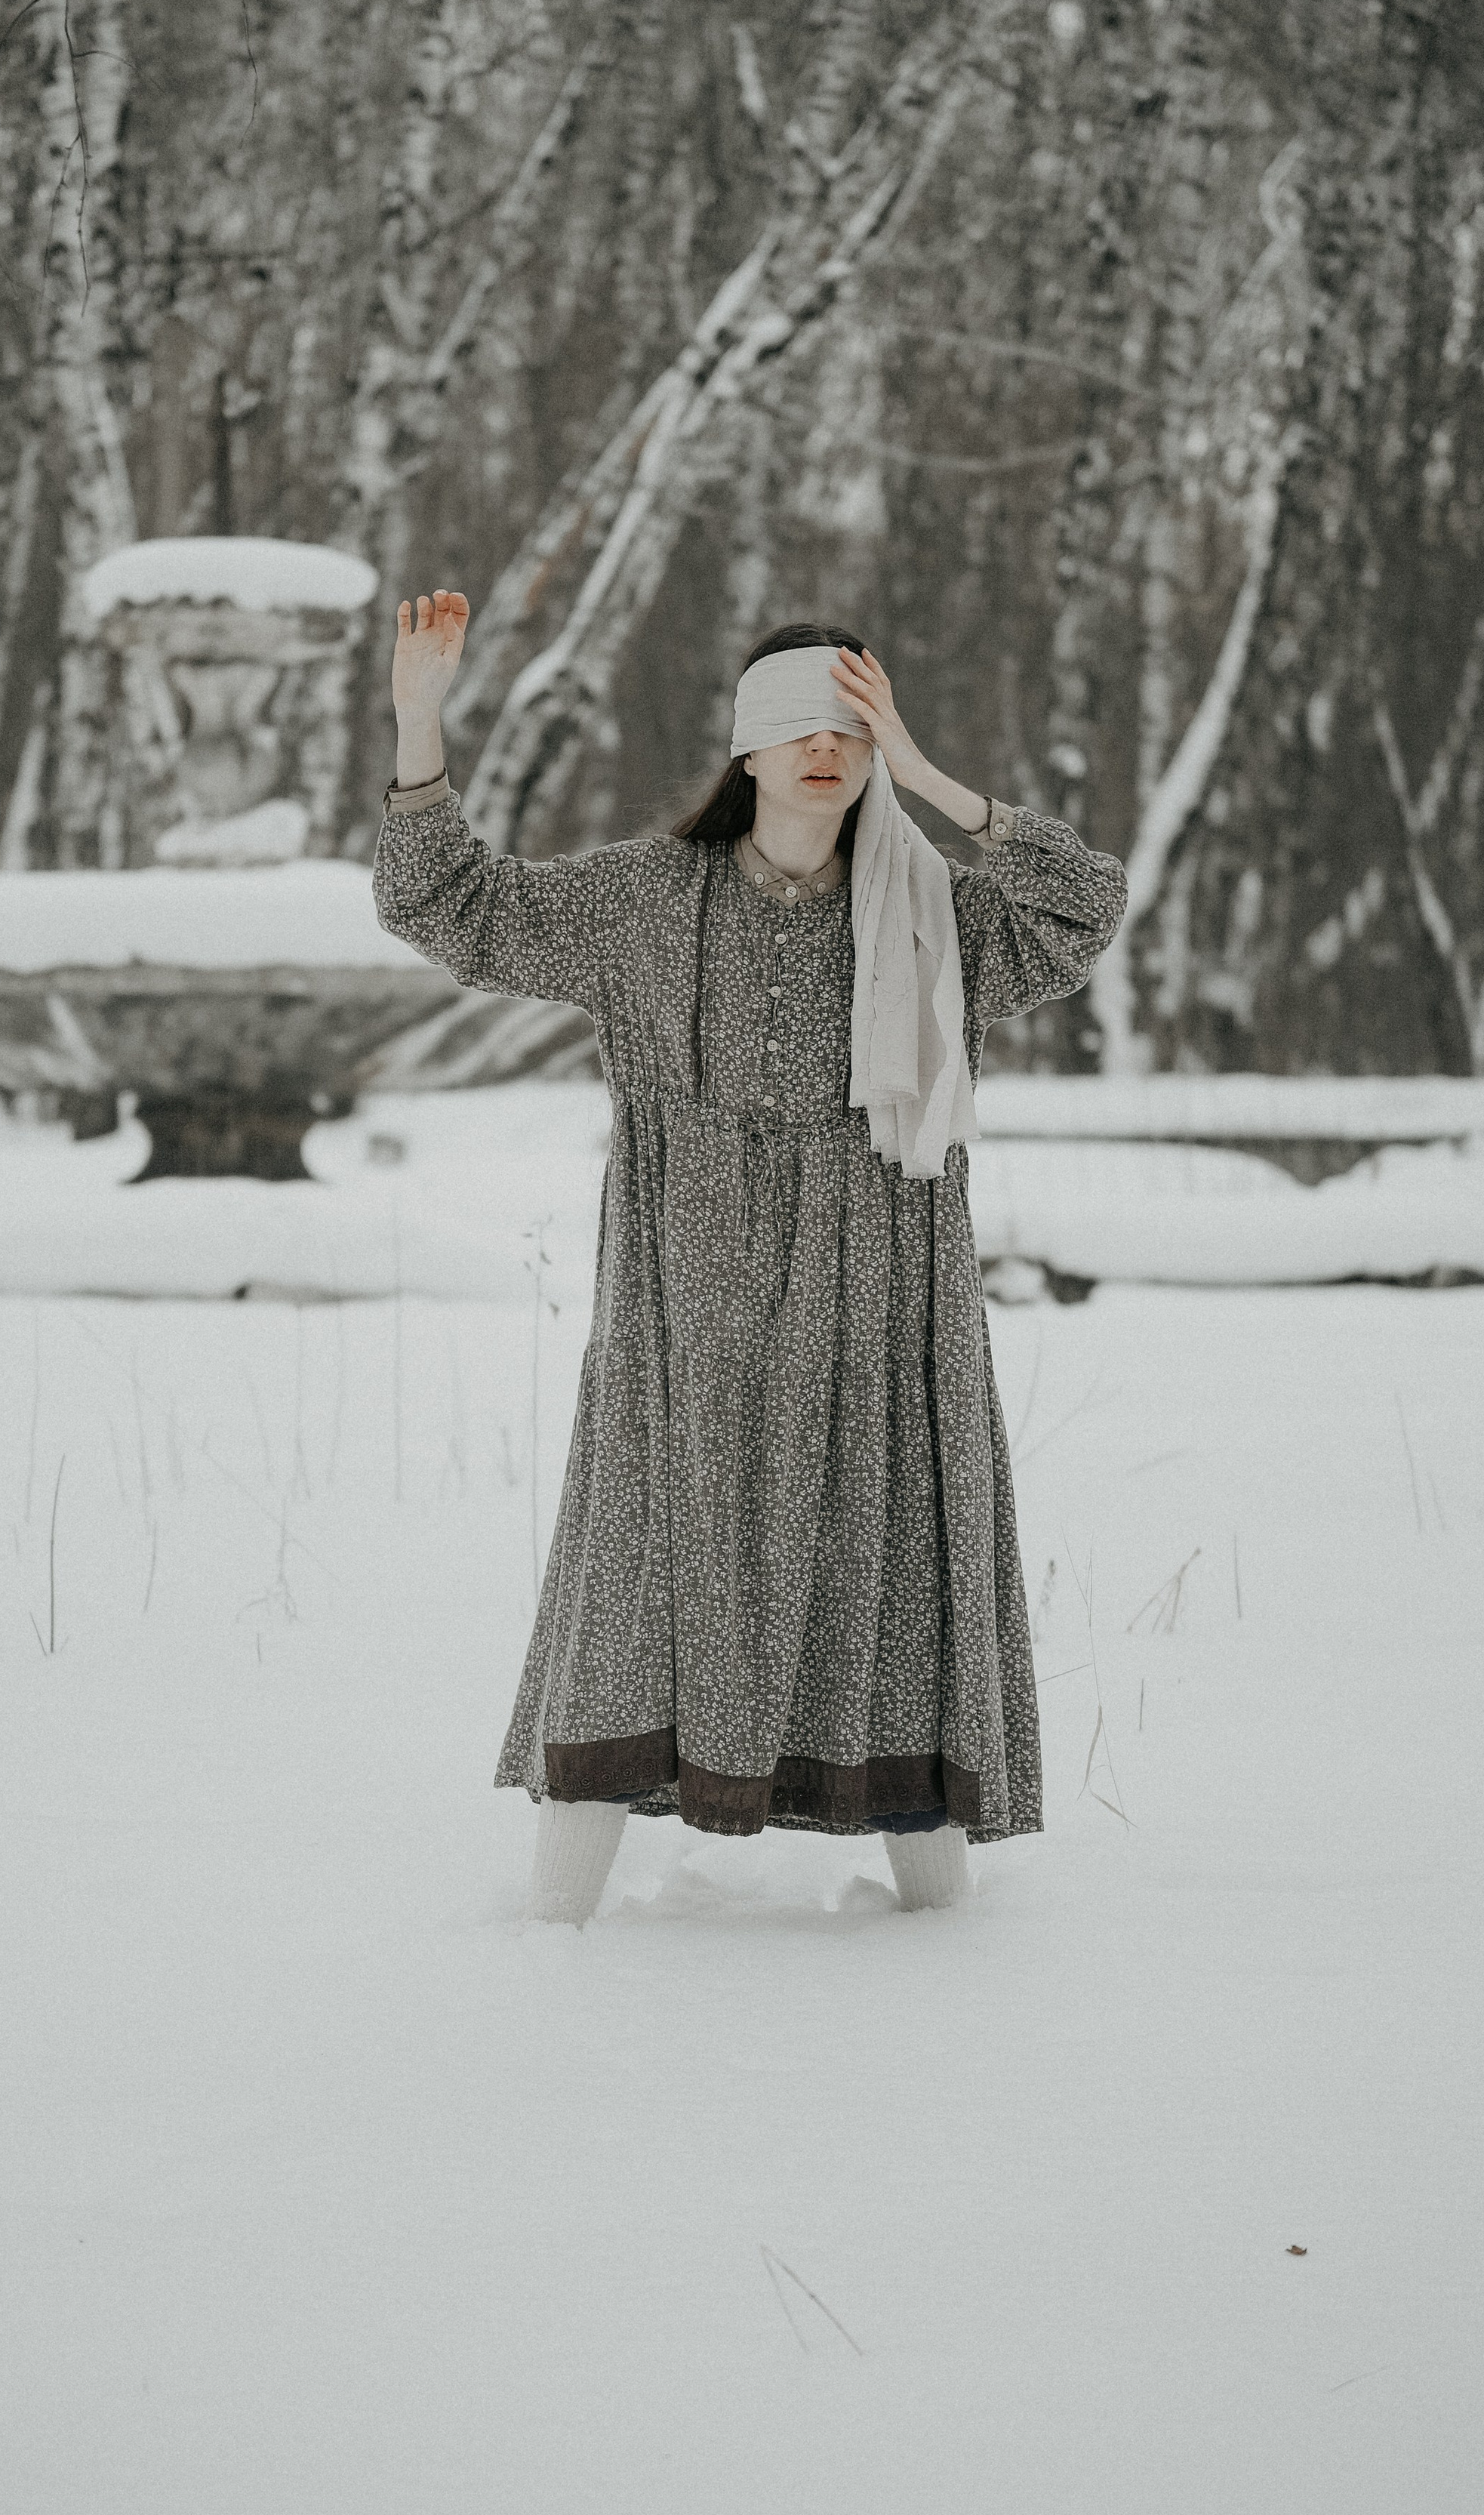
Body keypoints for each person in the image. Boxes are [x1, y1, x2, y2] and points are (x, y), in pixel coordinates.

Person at [375, 589, 1128, 1924]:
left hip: (883, 1313)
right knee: (641, 1589)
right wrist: (420, 727)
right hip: (687, 1319)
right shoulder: (648, 902)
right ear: (746, 746)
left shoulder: (935, 916)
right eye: (798, 725)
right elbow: (450, 907)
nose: (825, 749)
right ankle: (551, 1940)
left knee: (885, 1579)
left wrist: (930, 775)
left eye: (851, 725)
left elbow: (1086, 910)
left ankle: (949, 1946)